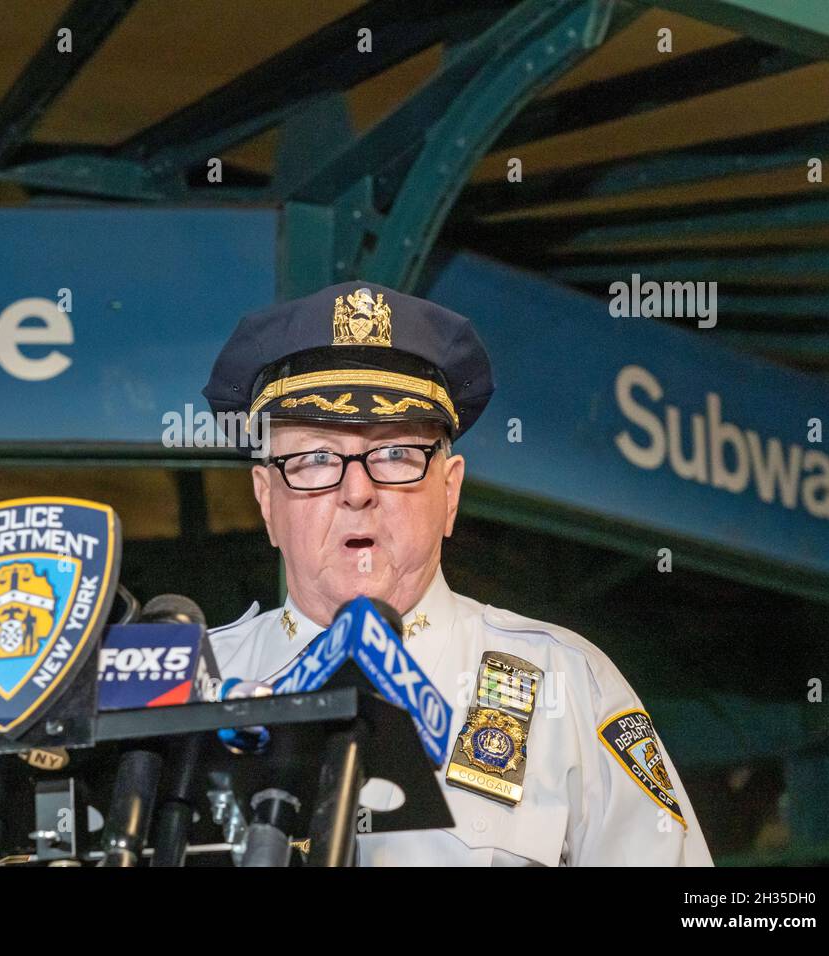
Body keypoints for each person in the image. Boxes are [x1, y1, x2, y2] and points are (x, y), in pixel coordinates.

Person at [202, 283, 712, 865]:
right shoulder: (196, 683)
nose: (357, 491)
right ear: (267, 501)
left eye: (395, 454)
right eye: (317, 457)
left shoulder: (564, 683)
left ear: (450, 492)